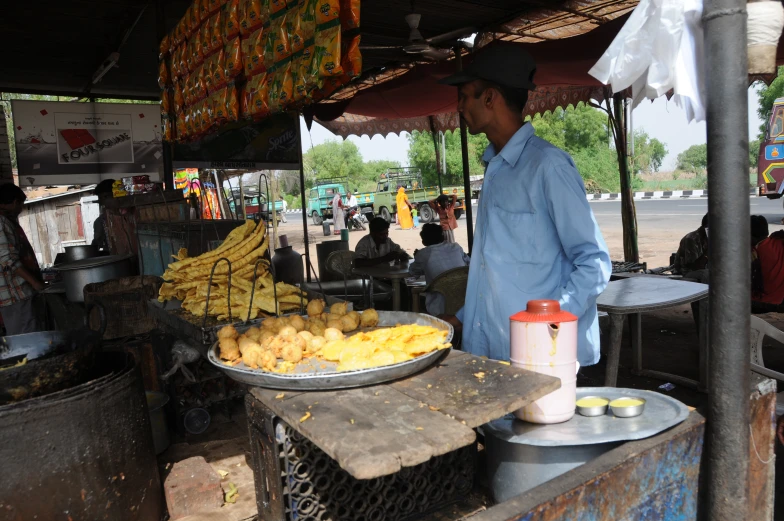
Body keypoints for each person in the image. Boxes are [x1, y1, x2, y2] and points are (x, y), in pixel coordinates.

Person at [437, 43, 611, 366]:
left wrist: (550, 326)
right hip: (491, 353)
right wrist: (462, 317)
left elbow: (594, 262)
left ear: (489, 98)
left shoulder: (548, 167)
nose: (459, 106)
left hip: (538, 359)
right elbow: (498, 268)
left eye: (464, 95)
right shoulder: (494, 168)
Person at [0, 183, 45, 335]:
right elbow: (8, 260)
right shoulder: (1, 222)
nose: (20, 209)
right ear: (14, 202)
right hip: (15, 293)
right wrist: (35, 283)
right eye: (21, 204)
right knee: (27, 339)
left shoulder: (6, 220)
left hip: (14, 294)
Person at [409, 224, 470, 315]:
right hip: (465, 301)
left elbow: (413, 272)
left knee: (412, 291)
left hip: (440, 306)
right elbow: (468, 263)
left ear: (424, 241)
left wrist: (417, 257)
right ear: (442, 237)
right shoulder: (456, 247)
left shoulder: (423, 254)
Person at [673, 213, 709, 278]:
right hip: (687, 272)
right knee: (708, 274)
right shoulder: (691, 239)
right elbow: (695, 267)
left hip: (704, 269)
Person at [91, 179, 115, 253]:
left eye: (104, 197)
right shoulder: (100, 221)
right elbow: (97, 242)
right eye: (100, 199)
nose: (101, 203)